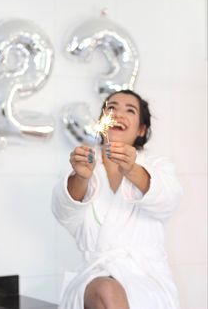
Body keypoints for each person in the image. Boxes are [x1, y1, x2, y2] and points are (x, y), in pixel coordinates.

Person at [52, 89, 183, 309]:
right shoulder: (84, 165)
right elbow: (64, 214)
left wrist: (132, 170)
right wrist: (81, 178)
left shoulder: (158, 167)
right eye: (111, 108)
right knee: (105, 289)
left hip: (147, 279)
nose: (118, 114)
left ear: (142, 128)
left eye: (130, 110)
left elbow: (169, 200)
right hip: (94, 280)